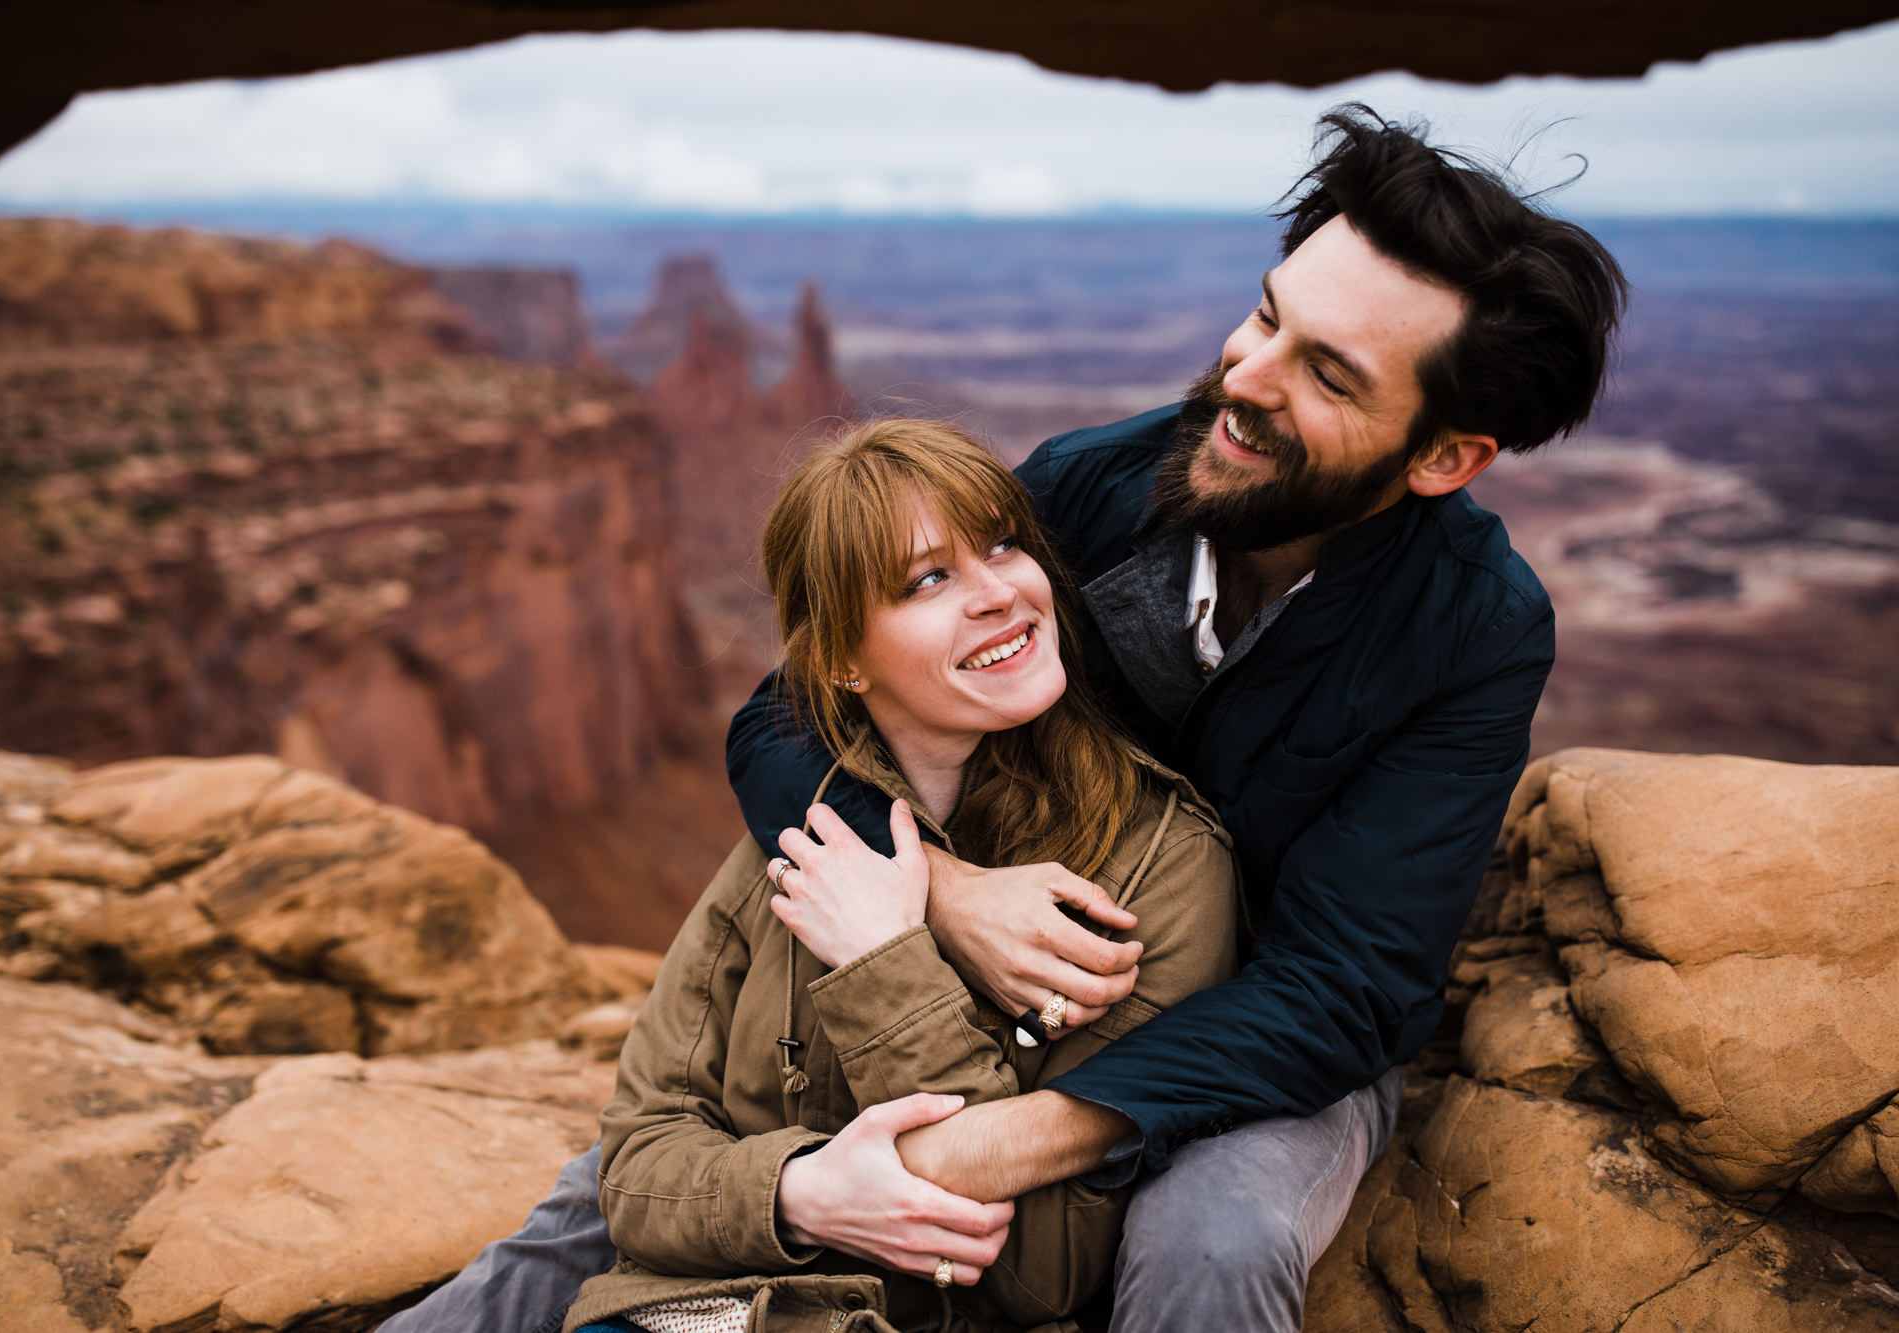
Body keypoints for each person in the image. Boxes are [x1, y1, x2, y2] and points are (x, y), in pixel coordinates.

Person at [380, 103, 1626, 1333]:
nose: (1244, 377)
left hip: (1256, 1049)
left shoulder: (1473, 627)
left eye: (1326, 373)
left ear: (1442, 457)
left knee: (1215, 1238)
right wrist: (937, 887)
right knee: (606, 1199)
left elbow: (1342, 991)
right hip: (1003, 991)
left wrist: (998, 1145)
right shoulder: (1095, 484)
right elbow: (786, 712)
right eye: (1263, 314)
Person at [563, 419, 1239, 1332]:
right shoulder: (802, 842)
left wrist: (887, 959)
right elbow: (637, 1166)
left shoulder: (1162, 865)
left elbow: (1045, 1272)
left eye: (1004, 544)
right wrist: (804, 1193)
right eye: (929, 579)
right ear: (839, 660)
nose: (999, 592)